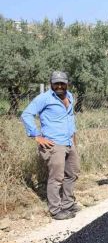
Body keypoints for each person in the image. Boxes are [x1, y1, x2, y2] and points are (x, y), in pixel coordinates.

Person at [21, 71, 80, 220]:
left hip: (69, 142)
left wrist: (74, 139)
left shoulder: (70, 96)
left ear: (67, 84)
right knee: (56, 177)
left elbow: (70, 118)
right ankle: (55, 210)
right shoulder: (44, 98)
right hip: (54, 144)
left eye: (62, 83)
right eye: (56, 83)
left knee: (72, 173)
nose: (59, 86)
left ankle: (68, 204)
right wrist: (36, 136)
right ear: (51, 84)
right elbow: (26, 114)